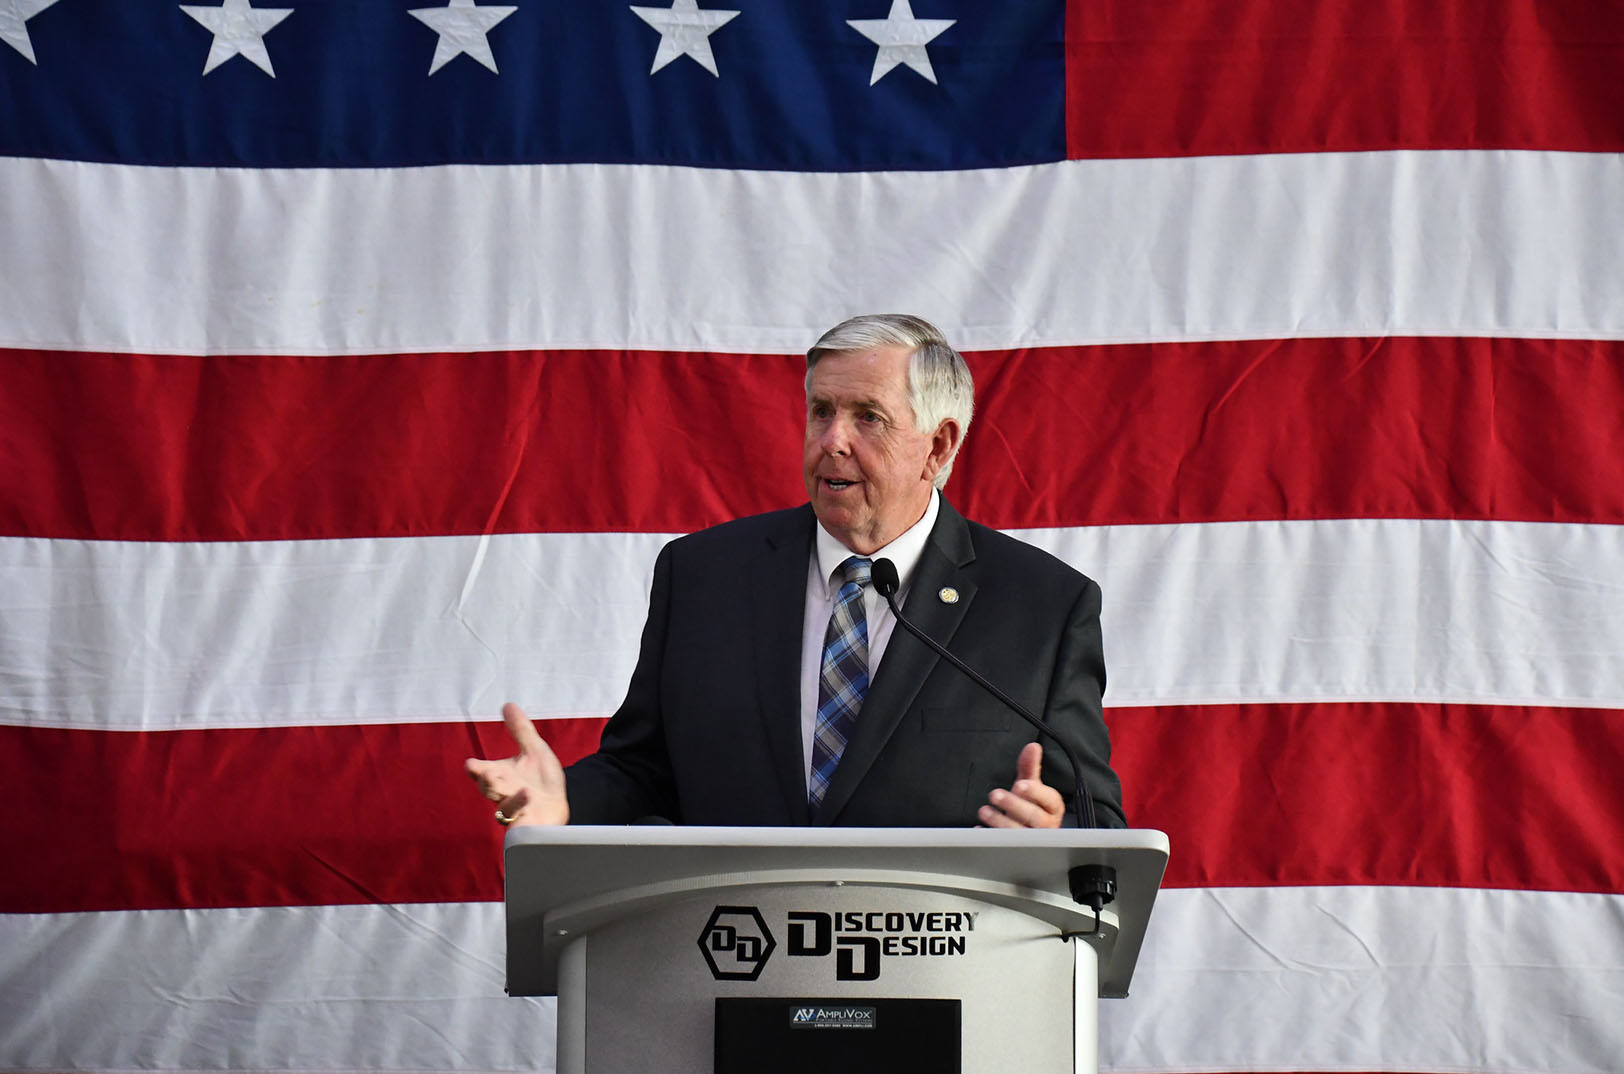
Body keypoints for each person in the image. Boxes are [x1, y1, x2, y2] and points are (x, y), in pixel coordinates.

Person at [467, 314, 1125, 829]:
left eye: (867, 416)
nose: (832, 440)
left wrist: (1054, 835)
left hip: (939, 971)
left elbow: (1098, 826)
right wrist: (566, 801)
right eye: (821, 411)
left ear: (939, 445)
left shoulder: (1041, 607)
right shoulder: (702, 578)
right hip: (732, 964)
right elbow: (644, 771)